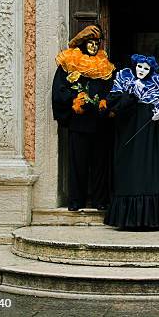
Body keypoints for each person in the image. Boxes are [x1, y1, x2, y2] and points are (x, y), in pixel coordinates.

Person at [104, 54, 159, 230]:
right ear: (135, 66)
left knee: (157, 172)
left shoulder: (158, 85)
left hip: (153, 138)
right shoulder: (124, 80)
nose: (142, 71)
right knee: (132, 173)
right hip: (130, 135)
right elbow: (113, 105)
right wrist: (132, 94)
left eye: (146, 68)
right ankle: (130, 220)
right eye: (140, 67)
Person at [52, 25, 114, 211]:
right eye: (90, 42)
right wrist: (74, 101)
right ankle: (76, 201)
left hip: (100, 123)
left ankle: (100, 200)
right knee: (77, 163)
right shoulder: (70, 63)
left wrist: (106, 103)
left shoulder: (105, 66)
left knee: (100, 164)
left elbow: (112, 90)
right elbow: (59, 90)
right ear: (82, 43)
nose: (94, 47)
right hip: (79, 123)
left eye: (97, 43)